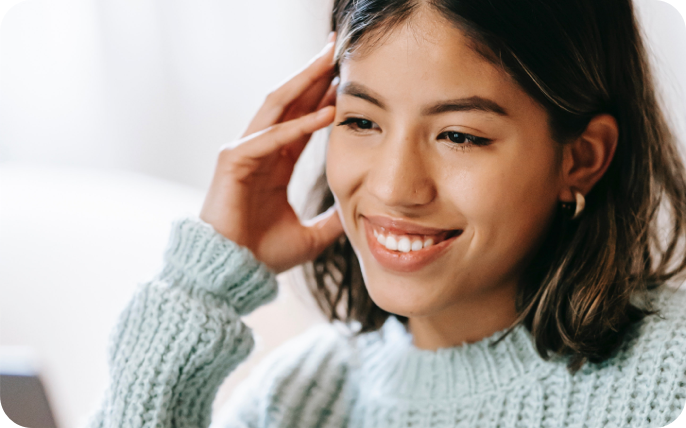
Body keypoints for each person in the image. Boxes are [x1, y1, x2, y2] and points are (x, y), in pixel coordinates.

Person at [86, 0, 686, 427]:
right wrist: (200, 284)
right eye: (362, 121)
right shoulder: (297, 399)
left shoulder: (670, 375)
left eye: (459, 136)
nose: (396, 187)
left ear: (580, 159)